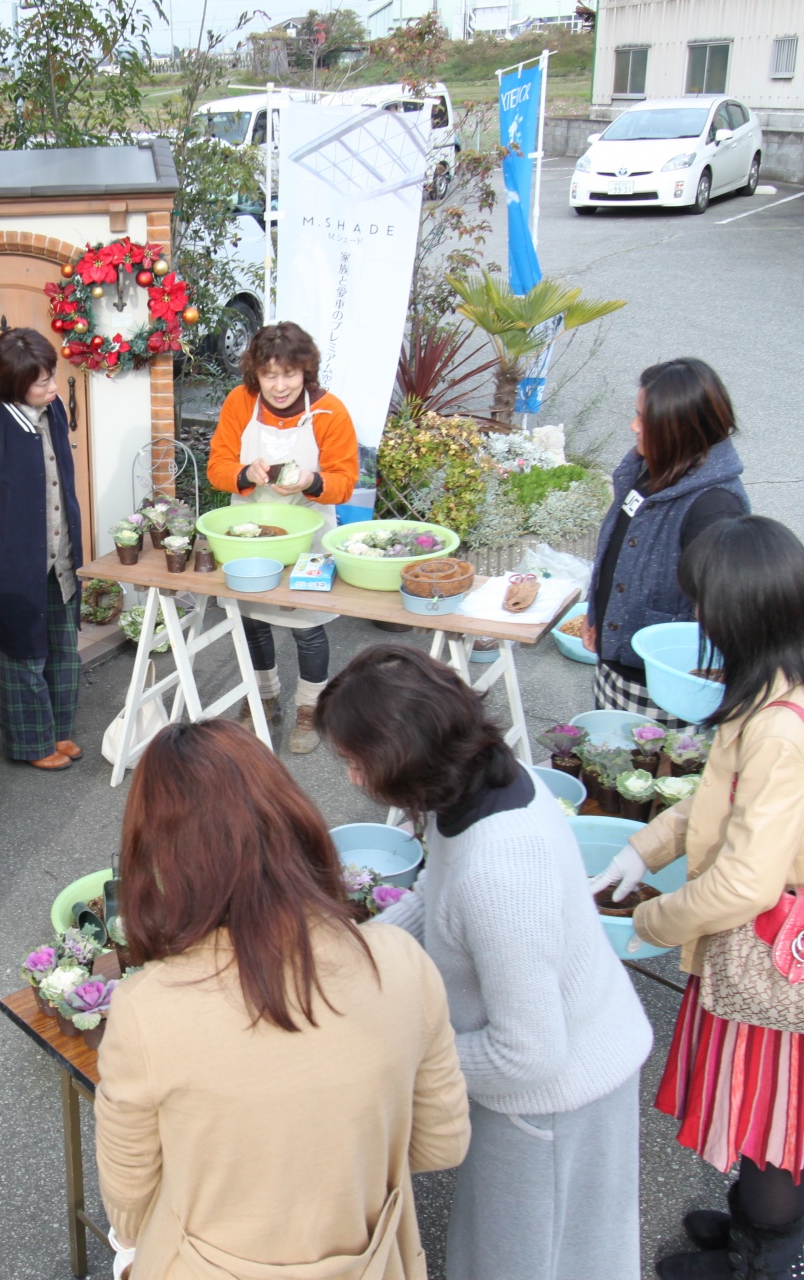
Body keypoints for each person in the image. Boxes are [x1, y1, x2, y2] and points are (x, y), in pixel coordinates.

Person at [589, 516, 804, 1280]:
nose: (699, 624)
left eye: (704, 609)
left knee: (774, 1122)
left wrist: (649, 920)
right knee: (788, 1111)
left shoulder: (780, 727)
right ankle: (751, 1233)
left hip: (778, 954)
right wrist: (645, 847)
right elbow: (723, 794)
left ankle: (766, 1264)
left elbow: (745, 882)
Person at [317, 644, 653, 1280]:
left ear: (403, 755)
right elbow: (431, 899)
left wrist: (400, 1057)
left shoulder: (499, 872)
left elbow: (529, 1055)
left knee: (520, 1261)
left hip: (552, 1100)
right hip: (580, 1048)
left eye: (355, 761)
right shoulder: (485, 781)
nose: (353, 779)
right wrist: (351, 955)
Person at [95, 719, 471, 1280]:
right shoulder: (399, 960)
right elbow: (442, 1143)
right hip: (370, 1258)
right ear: (291, 819)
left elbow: (128, 1202)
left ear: (161, 857)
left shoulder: (147, 1008)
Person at [205, 322, 358, 754]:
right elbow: (217, 465)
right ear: (255, 373)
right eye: (269, 375)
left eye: (289, 374)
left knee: (307, 627)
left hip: (309, 533)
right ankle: (263, 698)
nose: (279, 385)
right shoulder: (240, 402)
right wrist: (242, 474)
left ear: (305, 372)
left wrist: (311, 481)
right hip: (250, 534)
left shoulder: (330, 411)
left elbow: (345, 481)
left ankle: (310, 709)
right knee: (252, 619)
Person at [0, 327, 84, 771]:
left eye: (51, 377)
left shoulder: (53, 409)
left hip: (60, 555)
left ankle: (57, 731)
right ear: (12, 384)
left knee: (63, 648)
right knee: (25, 654)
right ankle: (31, 744)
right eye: (41, 381)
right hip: (15, 565)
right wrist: (3, 539)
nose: (51, 387)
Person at [587, 358, 749, 724]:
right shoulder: (654, 468)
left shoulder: (715, 508)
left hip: (660, 687)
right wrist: (597, 615)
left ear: (680, 430)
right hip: (617, 664)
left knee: (638, 774)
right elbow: (619, 551)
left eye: (645, 420)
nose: (634, 426)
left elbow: (722, 613)